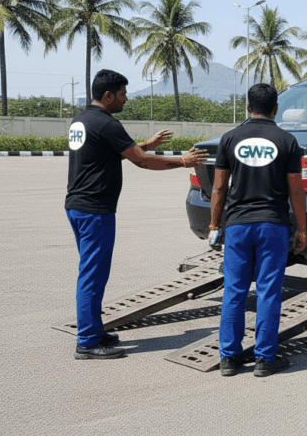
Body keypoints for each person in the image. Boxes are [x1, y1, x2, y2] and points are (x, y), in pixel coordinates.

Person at [66, 69, 208, 360]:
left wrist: (146, 145)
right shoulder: (107, 123)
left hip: (77, 205)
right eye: (122, 94)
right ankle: (88, 342)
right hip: (95, 210)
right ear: (108, 96)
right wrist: (183, 161)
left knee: (91, 273)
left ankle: (93, 328)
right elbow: (141, 163)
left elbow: (113, 153)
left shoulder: (81, 119)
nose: (126, 99)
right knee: (92, 276)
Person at [209, 83, 307, 377]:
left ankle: (229, 358)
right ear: (276, 108)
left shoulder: (229, 139)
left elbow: (219, 187)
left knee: (234, 290)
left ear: (248, 107)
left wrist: (215, 223)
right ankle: (265, 359)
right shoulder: (287, 141)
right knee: (268, 292)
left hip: (238, 226)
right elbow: (297, 191)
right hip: (273, 226)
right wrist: (302, 228)